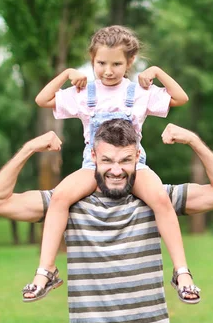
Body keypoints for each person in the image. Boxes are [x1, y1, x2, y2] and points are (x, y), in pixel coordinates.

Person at [0, 120, 213, 323]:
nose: (116, 170)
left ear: (137, 157)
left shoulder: (157, 198)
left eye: (125, 160)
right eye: (107, 160)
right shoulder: (69, 202)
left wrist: (193, 140)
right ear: (93, 156)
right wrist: (29, 149)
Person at [28, 25, 196, 303]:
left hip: (134, 166)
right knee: (59, 197)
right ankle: (46, 271)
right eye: (101, 63)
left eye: (117, 63)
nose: (108, 70)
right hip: (93, 166)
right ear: (92, 60)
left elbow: (181, 98)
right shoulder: (84, 93)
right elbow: (42, 99)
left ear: (129, 63)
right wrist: (67, 74)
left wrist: (156, 72)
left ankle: (182, 272)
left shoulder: (139, 92)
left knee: (161, 200)